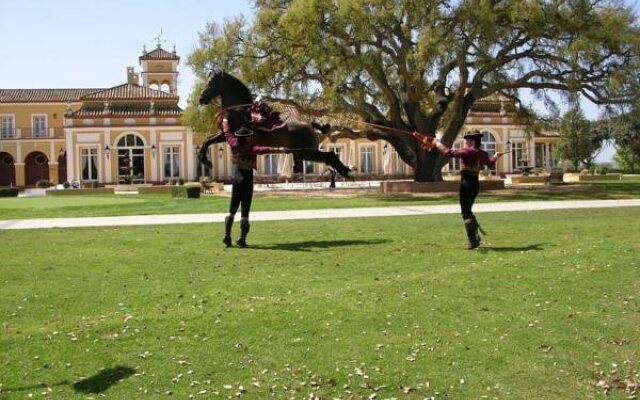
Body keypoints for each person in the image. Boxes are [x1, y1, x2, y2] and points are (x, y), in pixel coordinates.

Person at [222, 115, 290, 248]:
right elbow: (264, 150)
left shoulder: (232, 143)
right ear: (246, 137)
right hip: (247, 180)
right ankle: (242, 239)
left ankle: (227, 236)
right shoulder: (251, 147)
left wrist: (225, 121)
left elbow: (227, 132)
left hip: (236, 179)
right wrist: (280, 150)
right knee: (245, 211)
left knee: (232, 209)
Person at [433, 130, 508, 249]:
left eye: (467, 139)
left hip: (466, 184)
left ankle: (473, 241)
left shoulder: (467, 151)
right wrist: (496, 156)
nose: (466, 141)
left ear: (472, 140)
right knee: (468, 210)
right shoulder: (482, 153)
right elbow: (489, 164)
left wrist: (437, 143)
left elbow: (447, 152)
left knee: (465, 212)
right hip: (475, 184)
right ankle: (475, 236)